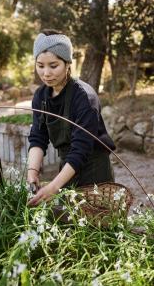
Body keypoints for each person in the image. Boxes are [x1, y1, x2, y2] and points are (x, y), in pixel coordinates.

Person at [27, 29, 115, 206]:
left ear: (67, 63)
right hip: (67, 168)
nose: (46, 73)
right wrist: (33, 171)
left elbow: (81, 149)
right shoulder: (41, 96)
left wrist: (53, 187)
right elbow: (38, 137)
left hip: (93, 168)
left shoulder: (84, 97)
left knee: (97, 226)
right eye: (40, 65)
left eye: (53, 66)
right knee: (70, 225)